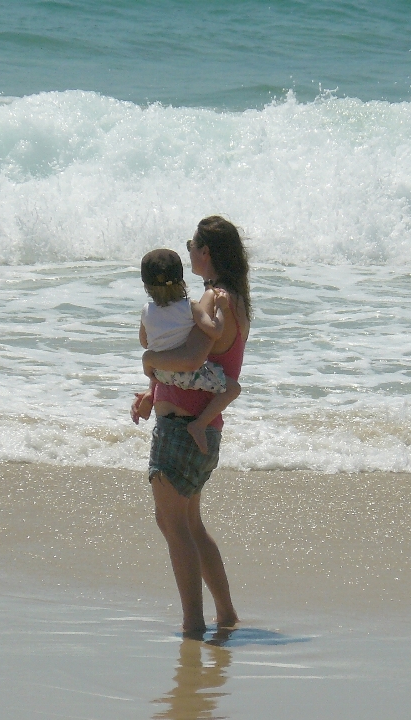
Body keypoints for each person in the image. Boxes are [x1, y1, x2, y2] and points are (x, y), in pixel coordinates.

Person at [130, 216, 251, 636]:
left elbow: (188, 361)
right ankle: (226, 615)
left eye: (192, 244)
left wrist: (148, 364)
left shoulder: (215, 299)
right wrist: (153, 392)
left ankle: (192, 625)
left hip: (182, 428)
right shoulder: (226, 298)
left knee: (174, 525)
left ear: (206, 253)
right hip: (200, 423)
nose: (188, 250)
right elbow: (197, 363)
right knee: (189, 524)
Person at [138, 248, 241, 455]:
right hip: (187, 375)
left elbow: (145, 342)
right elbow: (216, 330)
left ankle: (150, 394)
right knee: (233, 389)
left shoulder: (146, 310)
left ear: (147, 286)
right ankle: (200, 424)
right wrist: (221, 307)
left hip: (160, 375)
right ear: (181, 281)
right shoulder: (190, 307)